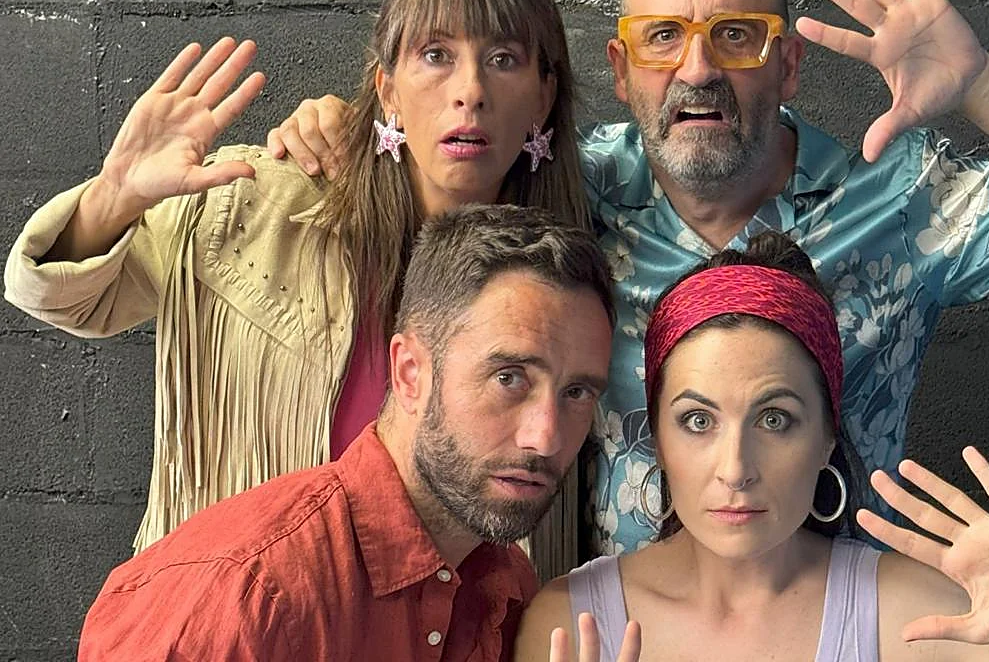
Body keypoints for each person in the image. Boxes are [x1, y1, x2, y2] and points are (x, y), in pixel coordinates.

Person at [270, 0, 989, 556]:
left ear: (788, 64)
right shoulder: (569, 188)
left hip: (837, 626)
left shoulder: (897, 203)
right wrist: (332, 129)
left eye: (736, 36)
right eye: (663, 38)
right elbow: (438, 151)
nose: (698, 69)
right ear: (620, 68)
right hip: (621, 628)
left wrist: (982, 83)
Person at [3, 0, 589, 556]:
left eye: (503, 59)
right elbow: (64, 300)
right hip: (249, 607)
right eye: (436, 55)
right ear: (388, 89)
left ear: (543, 98)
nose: (470, 90)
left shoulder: (574, 267)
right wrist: (114, 196)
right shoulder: (252, 204)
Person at [514, 231, 989, 662]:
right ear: (657, 436)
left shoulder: (917, 616)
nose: (735, 470)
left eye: (775, 419)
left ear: (826, 436)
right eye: (699, 421)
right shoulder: (572, 622)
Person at [77, 203, 615, 662]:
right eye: (509, 378)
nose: (546, 438)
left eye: (576, 393)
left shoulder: (506, 582)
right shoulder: (241, 594)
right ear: (410, 373)